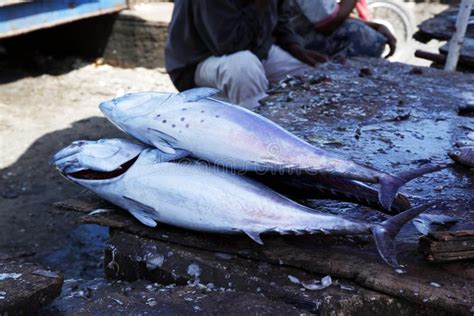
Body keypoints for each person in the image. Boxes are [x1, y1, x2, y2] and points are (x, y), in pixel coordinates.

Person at [165, 0, 328, 108]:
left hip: (253, 49)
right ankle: (256, 132)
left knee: (311, 74)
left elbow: (281, 20)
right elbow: (227, 44)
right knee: (243, 66)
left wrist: (296, 50)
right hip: (200, 62)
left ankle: (294, 127)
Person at [288, 0, 397, 59]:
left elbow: (328, 13)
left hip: (294, 33)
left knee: (368, 32)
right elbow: (328, 25)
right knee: (367, 38)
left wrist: (375, 26)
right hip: (287, 41)